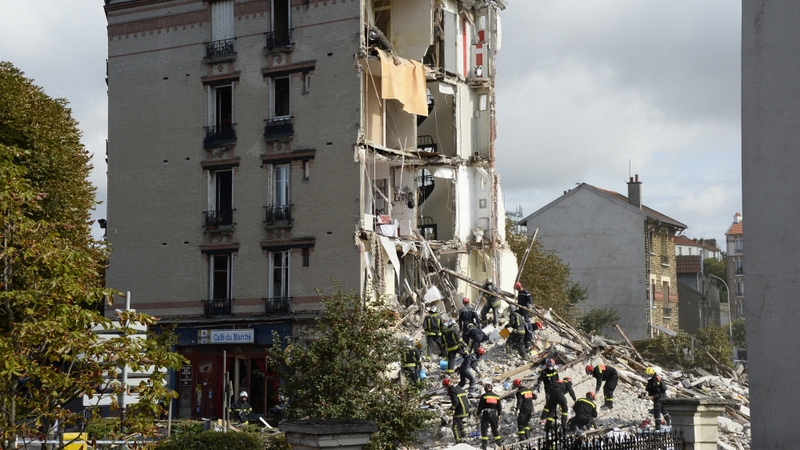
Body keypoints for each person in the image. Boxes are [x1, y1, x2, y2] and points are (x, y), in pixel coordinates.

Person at [443, 379, 470, 444]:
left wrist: (451, 409)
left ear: (447, 386)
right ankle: (463, 435)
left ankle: (458, 441)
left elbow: (455, 402)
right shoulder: (459, 389)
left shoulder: (452, 391)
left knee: (455, 426)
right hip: (466, 409)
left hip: (461, 410)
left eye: (445, 386)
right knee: (459, 423)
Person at [477, 383, 503, 449]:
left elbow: (480, 406)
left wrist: (478, 414)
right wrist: (499, 414)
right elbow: (499, 407)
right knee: (494, 429)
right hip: (494, 414)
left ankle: (484, 445)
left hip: (486, 413)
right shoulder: (496, 396)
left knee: (484, 428)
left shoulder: (484, 396)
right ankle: (499, 443)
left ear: (485, 389)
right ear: (491, 388)